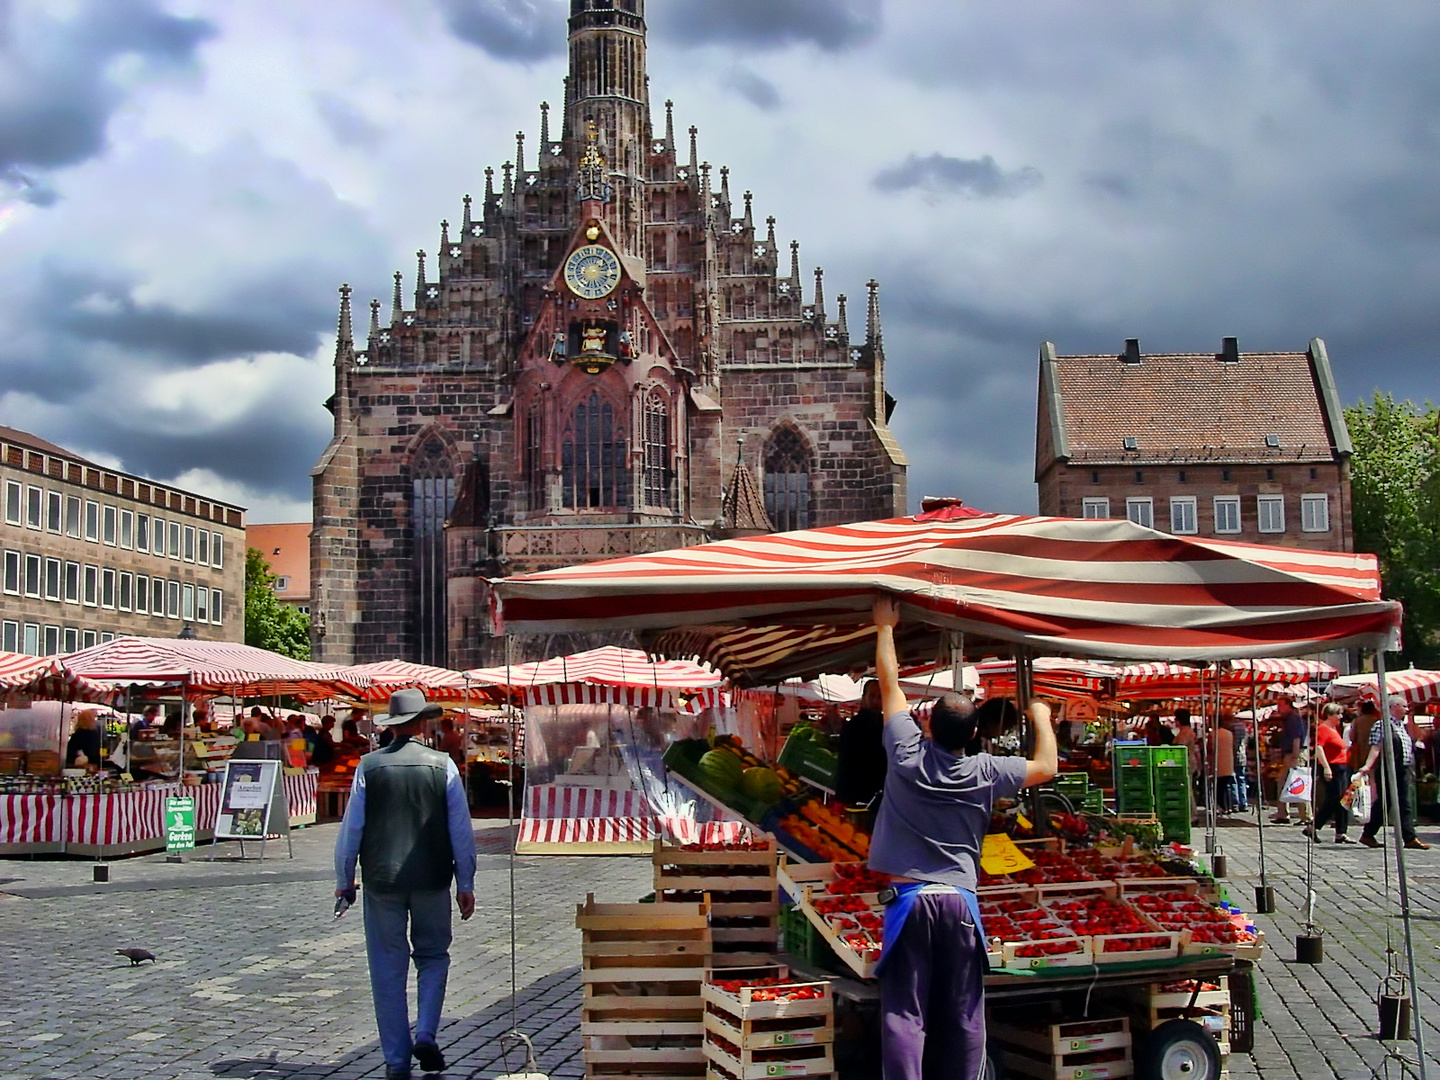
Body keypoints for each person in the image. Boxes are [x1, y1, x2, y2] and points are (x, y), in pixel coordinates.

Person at [867, 597, 1056, 1080]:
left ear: (926, 722)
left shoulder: (906, 752)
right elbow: (1048, 767)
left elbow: (889, 686)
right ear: (974, 734)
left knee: (905, 1010)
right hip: (958, 901)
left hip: (908, 898)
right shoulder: (985, 770)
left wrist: (885, 627)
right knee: (964, 1009)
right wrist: (1041, 717)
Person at [334, 690, 477, 1079]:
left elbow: (352, 831)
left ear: (392, 725)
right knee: (433, 957)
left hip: (382, 879)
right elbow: (460, 831)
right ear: (423, 723)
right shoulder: (442, 765)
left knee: (387, 969)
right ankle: (427, 1032)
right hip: (432, 877)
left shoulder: (369, 767)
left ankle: (397, 1059)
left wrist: (344, 880)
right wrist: (465, 881)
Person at [1358, 695, 1429, 850]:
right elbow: (1376, 746)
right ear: (1394, 707)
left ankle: (1369, 834)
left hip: (1402, 769)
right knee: (1393, 803)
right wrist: (1368, 765)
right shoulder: (1383, 725)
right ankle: (1407, 837)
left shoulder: (1400, 725)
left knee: (1395, 803)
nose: (1406, 709)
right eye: (1404, 706)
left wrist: (1411, 720)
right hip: (1389, 769)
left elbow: (1416, 738)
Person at [835, 679, 887, 812]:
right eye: (872, 696)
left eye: (880, 696)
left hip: (881, 796)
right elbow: (845, 765)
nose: (876, 701)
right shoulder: (853, 727)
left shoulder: (887, 725)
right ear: (863, 698)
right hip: (857, 797)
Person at [1306, 703, 1352, 843]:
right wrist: (1326, 767)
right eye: (1338, 714)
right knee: (1334, 798)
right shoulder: (1323, 729)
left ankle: (1341, 832)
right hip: (1332, 766)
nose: (1341, 717)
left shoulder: (1334, 729)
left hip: (1342, 766)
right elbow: (1319, 748)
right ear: (1330, 715)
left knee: (1344, 800)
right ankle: (1314, 826)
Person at [1270, 695, 1310, 824]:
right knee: (1284, 783)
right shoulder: (1289, 719)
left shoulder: (1293, 719)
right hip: (1291, 754)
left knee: (1298, 783)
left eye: (1281, 705)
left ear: (1288, 705)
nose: (1278, 708)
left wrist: (1294, 756)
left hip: (1295, 754)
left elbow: (1297, 739)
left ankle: (1306, 817)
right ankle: (1283, 814)